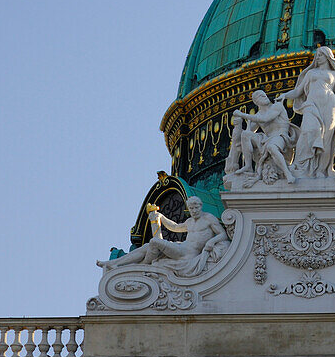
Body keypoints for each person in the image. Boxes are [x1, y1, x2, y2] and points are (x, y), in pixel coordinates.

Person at [276, 46, 335, 178]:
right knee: (308, 131)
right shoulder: (310, 73)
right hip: (311, 105)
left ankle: (322, 170)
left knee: (327, 138)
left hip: (331, 105)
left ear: (327, 57)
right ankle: (303, 167)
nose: (317, 57)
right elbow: (298, 91)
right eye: (317, 55)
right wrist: (285, 95)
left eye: (320, 55)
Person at [96, 197, 229, 277]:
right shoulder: (190, 222)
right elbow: (175, 228)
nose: (193, 211)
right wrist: (161, 217)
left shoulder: (208, 219)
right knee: (149, 245)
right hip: (181, 247)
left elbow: (222, 234)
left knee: (154, 242)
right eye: (191, 208)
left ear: (200, 206)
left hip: (188, 254)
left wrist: (212, 241)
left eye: (195, 208)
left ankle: (144, 266)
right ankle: (113, 264)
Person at [227, 90, 296, 182]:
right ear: (256, 102)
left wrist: (242, 115)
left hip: (280, 137)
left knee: (271, 147)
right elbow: (247, 133)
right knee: (245, 135)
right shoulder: (258, 115)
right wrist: (238, 125)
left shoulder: (277, 106)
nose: (265, 97)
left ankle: (287, 173)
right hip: (267, 139)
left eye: (265, 95)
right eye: (261, 96)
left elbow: (265, 119)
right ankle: (248, 166)